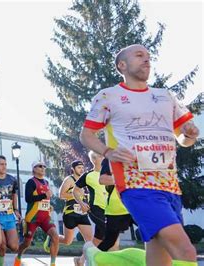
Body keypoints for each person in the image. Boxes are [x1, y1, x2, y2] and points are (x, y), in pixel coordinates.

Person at [80, 44, 200, 265]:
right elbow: (86, 135)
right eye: (139, 55)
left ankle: (97, 257)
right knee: (185, 252)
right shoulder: (109, 96)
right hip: (137, 184)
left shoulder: (165, 96)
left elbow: (182, 139)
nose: (146, 60)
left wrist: (189, 135)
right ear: (122, 65)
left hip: (170, 186)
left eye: (148, 56)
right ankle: (97, 256)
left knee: (159, 261)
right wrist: (108, 152)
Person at [14, 161, 59, 266]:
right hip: (33, 217)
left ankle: (53, 263)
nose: (43, 168)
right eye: (40, 166)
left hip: (45, 217)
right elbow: (28, 199)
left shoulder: (46, 182)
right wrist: (44, 196)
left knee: (55, 236)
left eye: (44, 166)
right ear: (34, 169)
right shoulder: (31, 182)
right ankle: (18, 257)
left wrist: (49, 205)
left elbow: (45, 199)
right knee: (27, 243)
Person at [58, 160, 92, 265]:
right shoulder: (69, 180)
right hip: (70, 213)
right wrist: (76, 194)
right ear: (73, 169)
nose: (81, 170)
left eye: (82, 167)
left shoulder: (85, 180)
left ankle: (80, 261)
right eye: (79, 168)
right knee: (67, 241)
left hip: (82, 214)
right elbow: (61, 195)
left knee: (90, 241)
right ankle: (53, 237)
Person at [97, 158, 134, 251]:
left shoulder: (142, 153)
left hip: (139, 204)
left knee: (155, 234)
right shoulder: (110, 158)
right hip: (117, 208)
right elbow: (102, 179)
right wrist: (129, 178)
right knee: (110, 241)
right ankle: (89, 260)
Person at [73, 151, 107, 246]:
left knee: (98, 238)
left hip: (109, 208)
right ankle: (108, 256)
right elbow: (75, 191)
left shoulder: (108, 174)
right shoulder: (88, 175)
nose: (104, 158)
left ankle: (81, 259)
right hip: (95, 209)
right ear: (94, 160)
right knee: (108, 229)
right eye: (100, 157)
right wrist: (82, 203)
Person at [0, 155, 20, 266]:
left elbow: (14, 195)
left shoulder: (12, 179)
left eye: (5, 164)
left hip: (9, 216)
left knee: (14, 246)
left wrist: (16, 210)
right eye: (1, 164)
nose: (4, 166)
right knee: (2, 245)